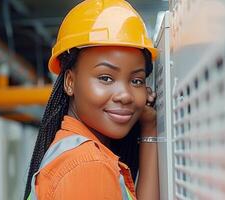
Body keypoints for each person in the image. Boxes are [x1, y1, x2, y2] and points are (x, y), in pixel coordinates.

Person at [24, 0, 159, 199]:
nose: (126, 95)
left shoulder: (79, 152)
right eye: (105, 78)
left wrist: (150, 127)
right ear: (70, 82)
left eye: (136, 80)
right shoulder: (87, 166)